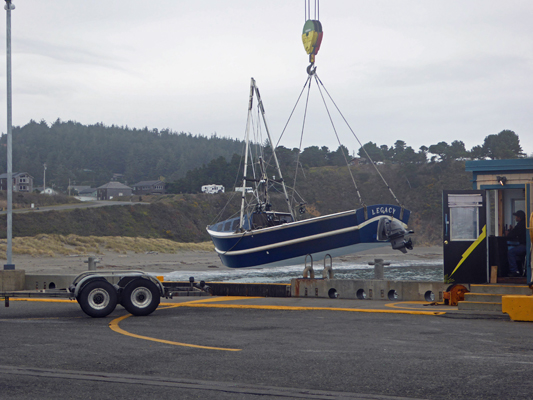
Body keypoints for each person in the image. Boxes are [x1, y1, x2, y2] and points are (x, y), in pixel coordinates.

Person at [506, 210, 527, 277]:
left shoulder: (520, 225)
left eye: (516, 216)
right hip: (526, 245)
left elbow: (512, 235)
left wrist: (508, 232)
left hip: (525, 245)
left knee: (511, 252)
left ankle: (514, 271)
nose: (515, 218)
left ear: (519, 217)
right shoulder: (526, 224)